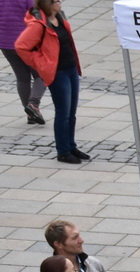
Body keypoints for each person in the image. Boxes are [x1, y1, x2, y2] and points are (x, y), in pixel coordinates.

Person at [13, 0, 81, 162]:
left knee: (71, 113)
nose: (60, 3)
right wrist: (41, 64)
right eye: (57, 1)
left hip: (71, 69)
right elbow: (21, 46)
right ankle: (63, 152)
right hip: (58, 73)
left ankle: (71, 146)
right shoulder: (39, 25)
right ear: (48, 4)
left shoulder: (60, 17)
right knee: (63, 113)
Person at [3, 0, 45, 127]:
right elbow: (36, 15)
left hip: (6, 43)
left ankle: (30, 113)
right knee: (41, 74)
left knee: (22, 78)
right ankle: (33, 104)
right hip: (27, 42)